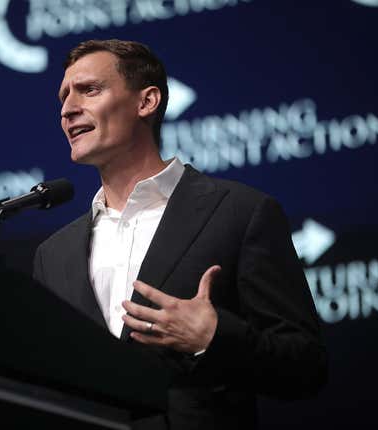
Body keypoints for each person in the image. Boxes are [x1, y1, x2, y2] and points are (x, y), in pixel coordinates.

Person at [33, 39, 327, 429]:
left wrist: (214, 337)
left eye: (89, 90)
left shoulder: (239, 212)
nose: (68, 109)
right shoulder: (53, 255)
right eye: (64, 96)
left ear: (147, 102)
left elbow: (305, 365)